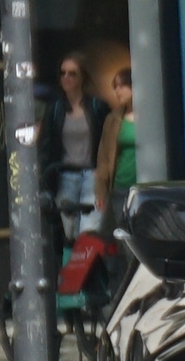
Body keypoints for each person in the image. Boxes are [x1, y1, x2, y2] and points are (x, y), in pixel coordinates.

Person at [48, 53, 112, 240]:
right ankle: (71, 268)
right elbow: (47, 144)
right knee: (69, 233)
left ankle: (87, 269)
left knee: (89, 232)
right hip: (66, 176)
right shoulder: (56, 109)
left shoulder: (96, 106)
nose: (66, 78)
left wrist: (102, 172)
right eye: (63, 73)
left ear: (82, 77)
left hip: (92, 176)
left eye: (72, 74)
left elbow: (107, 140)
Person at [92, 66, 137, 227]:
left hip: (145, 186)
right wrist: (100, 191)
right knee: (123, 233)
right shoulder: (114, 119)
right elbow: (104, 157)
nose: (118, 91)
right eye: (115, 87)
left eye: (122, 86)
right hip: (121, 185)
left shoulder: (153, 114)